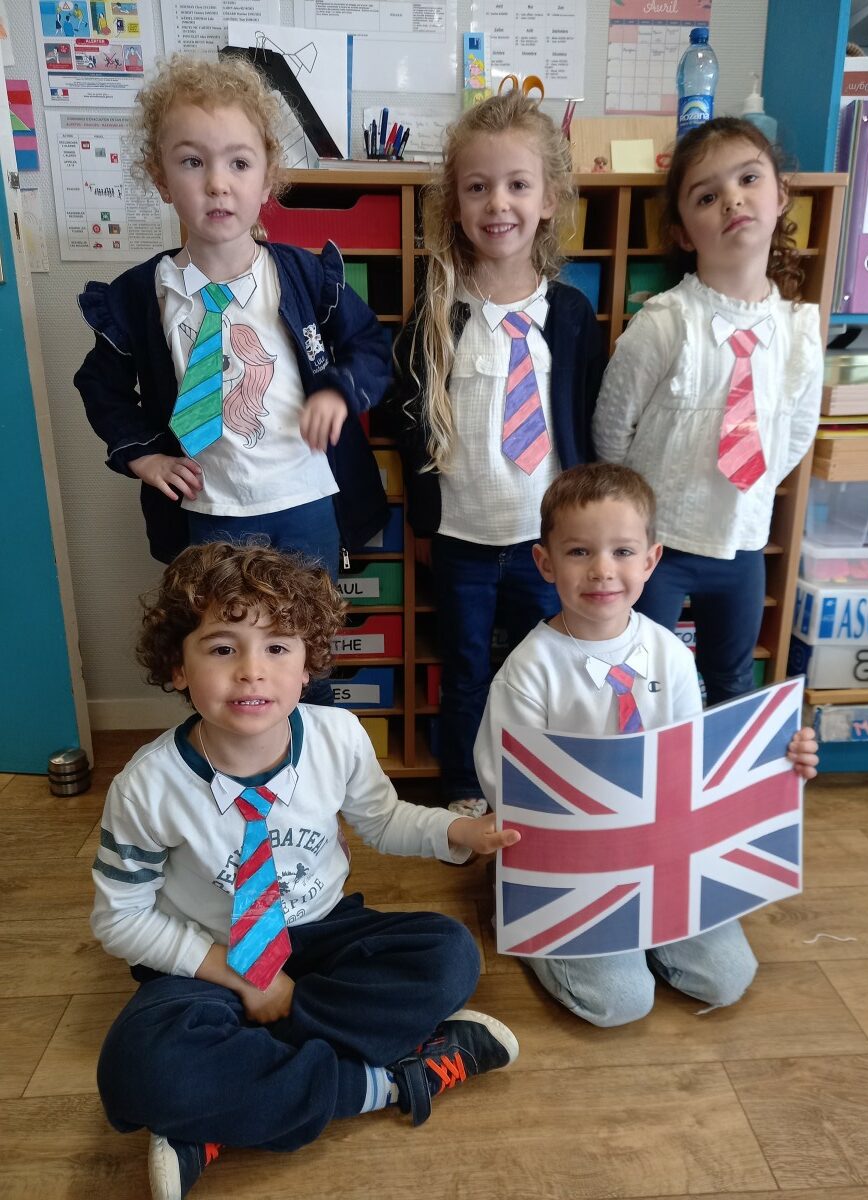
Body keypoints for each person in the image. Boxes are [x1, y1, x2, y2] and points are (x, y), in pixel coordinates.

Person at [91, 541, 521, 1200]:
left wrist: (454, 831)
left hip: (323, 934)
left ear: (308, 665)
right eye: (222, 648)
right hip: (210, 959)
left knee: (450, 954)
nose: (252, 671)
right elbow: (121, 919)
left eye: (277, 647)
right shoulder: (146, 787)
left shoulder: (337, 736)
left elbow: (384, 820)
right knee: (135, 1068)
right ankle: (386, 1081)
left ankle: (230, 1103)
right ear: (177, 667)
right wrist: (245, 978)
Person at [474, 463, 818, 1026]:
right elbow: (508, 786)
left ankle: (646, 931)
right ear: (546, 562)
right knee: (620, 1002)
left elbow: (694, 761)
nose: (602, 570)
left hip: (663, 851)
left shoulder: (670, 654)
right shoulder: (528, 671)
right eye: (579, 552)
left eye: (623, 552)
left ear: (651, 560)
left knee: (728, 976)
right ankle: (514, 910)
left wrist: (780, 761)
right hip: (575, 863)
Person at [73, 55, 390, 588]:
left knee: (306, 634)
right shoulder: (141, 295)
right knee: (220, 630)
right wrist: (143, 456)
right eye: (193, 162)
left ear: (268, 179)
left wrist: (338, 392)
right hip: (209, 512)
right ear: (161, 179)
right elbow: (100, 385)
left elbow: (370, 345)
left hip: (305, 500)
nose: (217, 183)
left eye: (239, 163)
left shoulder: (305, 277)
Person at [387, 90, 606, 819]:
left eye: (517, 184)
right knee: (467, 669)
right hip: (463, 539)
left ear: (549, 200)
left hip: (548, 541)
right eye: (477, 187)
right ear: (455, 203)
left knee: (547, 666)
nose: (498, 203)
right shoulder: (438, 309)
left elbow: (587, 420)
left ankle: (543, 785)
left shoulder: (569, 315)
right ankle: (462, 785)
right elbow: (409, 416)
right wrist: (423, 520)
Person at [594, 117, 823, 705]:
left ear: (781, 195)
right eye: (706, 196)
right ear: (683, 232)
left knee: (733, 681)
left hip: (741, 540)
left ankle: (718, 769)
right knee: (639, 680)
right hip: (658, 546)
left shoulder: (799, 331)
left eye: (748, 179)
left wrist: (751, 488)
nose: (732, 200)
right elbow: (612, 430)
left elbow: (796, 434)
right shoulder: (665, 322)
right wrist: (636, 521)